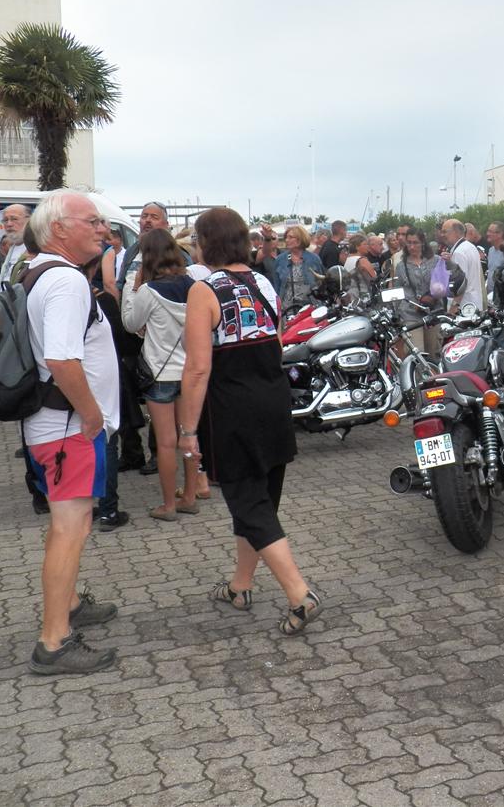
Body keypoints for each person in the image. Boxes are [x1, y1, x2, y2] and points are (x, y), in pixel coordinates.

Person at [180, 207, 324, 635]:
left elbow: (197, 369)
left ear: (208, 243)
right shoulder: (263, 281)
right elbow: (275, 342)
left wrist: (187, 431)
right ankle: (240, 586)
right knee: (260, 503)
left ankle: (300, 595)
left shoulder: (204, 290)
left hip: (232, 408)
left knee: (249, 503)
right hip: (273, 401)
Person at [22, 190, 123, 675]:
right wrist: (92, 415)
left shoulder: (41, 271)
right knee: (70, 528)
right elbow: (62, 359)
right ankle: (54, 641)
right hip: (67, 429)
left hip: (54, 426)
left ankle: (71, 604)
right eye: (93, 221)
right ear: (59, 229)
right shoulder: (65, 280)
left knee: (72, 526)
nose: (103, 229)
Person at [122, 229, 206, 522]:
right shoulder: (194, 286)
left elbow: (130, 323)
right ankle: (190, 496)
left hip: (159, 372)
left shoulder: (148, 290)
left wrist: (131, 289)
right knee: (189, 435)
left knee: (167, 442)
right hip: (189, 371)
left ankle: (169, 505)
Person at [81, 252, 132, 531]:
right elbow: (121, 342)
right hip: (101, 384)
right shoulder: (103, 302)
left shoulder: (65, 301)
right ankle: (108, 510)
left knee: (85, 444)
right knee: (108, 442)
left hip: (73, 383)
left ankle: (87, 506)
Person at [393, 229, 442, 354]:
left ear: (423, 243)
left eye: (415, 243)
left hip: (432, 310)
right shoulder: (401, 266)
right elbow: (397, 291)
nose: (412, 246)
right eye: (409, 243)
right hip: (410, 313)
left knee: (434, 352)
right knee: (416, 353)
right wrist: (396, 315)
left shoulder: (436, 260)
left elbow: (443, 285)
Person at [274, 225, 324, 316]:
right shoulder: (280, 260)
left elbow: (321, 285)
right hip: (287, 310)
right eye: (286, 237)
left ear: (300, 239)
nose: (286, 240)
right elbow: (276, 287)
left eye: (290, 237)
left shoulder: (314, 259)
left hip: (310, 309)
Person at [441, 218, 484, 314]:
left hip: (463, 309)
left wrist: (453, 307)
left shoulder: (459, 252)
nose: (442, 235)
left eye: (445, 232)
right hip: (474, 305)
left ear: (456, 232)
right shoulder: (470, 247)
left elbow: (460, 284)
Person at [0, 203, 31, 290]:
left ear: (29, 220)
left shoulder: (35, 248)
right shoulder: (13, 246)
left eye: (14, 219)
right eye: (5, 220)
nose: (9, 224)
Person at [485, 221, 504, 296]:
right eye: (488, 231)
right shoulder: (491, 250)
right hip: (490, 294)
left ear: (500, 234)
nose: (487, 234)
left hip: (501, 294)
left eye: (490, 231)